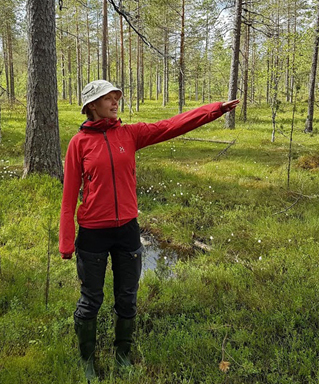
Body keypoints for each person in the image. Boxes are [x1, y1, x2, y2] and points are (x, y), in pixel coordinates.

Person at [59, 79, 239, 381]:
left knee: (127, 296)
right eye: (108, 98)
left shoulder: (129, 134)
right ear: (92, 105)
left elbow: (171, 126)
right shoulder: (79, 144)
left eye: (117, 97)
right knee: (91, 299)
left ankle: (122, 355)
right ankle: (87, 362)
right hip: (92, 232)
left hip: (127, 230)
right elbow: (68, 196)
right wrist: (67, 242)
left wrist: (214, 110)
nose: (116, 102)